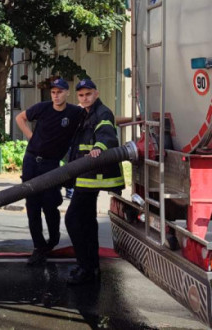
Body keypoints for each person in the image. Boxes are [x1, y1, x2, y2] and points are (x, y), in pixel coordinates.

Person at [15, 77, 85, 267]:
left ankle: (53, 238)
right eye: (53, 92)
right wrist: (31, 137)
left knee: (50, 204)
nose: (56, 95)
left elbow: (100, 118)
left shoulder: (74, 112)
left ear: (67, 93)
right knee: (32, 206)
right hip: (31, 161)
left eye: (59, 92)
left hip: (51, 164)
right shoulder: (43, 107)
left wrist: (132, 120)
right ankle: (39, 247)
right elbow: (20, 118)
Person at [65, 79, 122, 284]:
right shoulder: (85, 114)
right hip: (85, 176)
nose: (85, 98)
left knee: (73, 219)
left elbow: (107, 135)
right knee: (87, 222)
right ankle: (91, 267)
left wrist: (99, 147)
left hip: (92, 177)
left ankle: (85, 267)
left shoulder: (102, 113)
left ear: (96, 94)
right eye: (81, 95)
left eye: (88, 94)